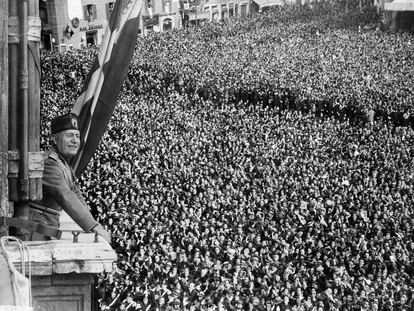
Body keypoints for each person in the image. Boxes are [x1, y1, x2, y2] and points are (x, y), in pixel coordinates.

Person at [29, 113, 111, 243]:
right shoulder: (49, 163)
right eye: (69, 135)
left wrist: (94, 223)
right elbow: (65, 195)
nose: (75, 140)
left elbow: (75, 192)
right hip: (35, 230)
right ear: (54, 139)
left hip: (45, 225)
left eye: (77, 136)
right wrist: (93, 226)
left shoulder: (63, 162)